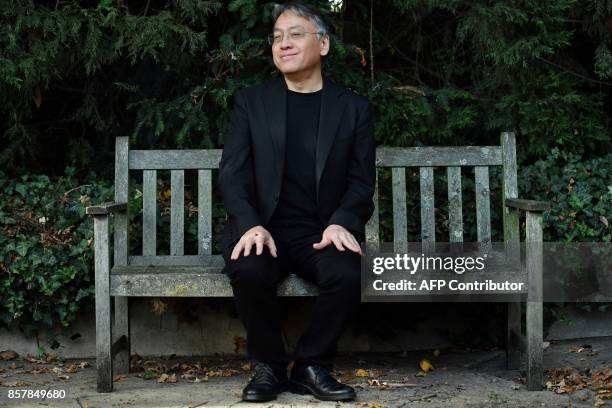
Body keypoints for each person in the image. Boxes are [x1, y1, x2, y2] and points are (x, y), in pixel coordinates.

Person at [218, 1, 375, 402]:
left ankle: (310, 365)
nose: (282, 44)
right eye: (276, 37)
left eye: (294, 34)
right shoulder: (251, 103)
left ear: (322, 44)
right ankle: (269, 366)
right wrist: (250, 223)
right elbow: (233, 174)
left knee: (348, 273)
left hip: (321, 231)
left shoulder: (353, 109)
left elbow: (361, 182)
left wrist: (342, 222)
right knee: (250, 269)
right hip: (262, 229)